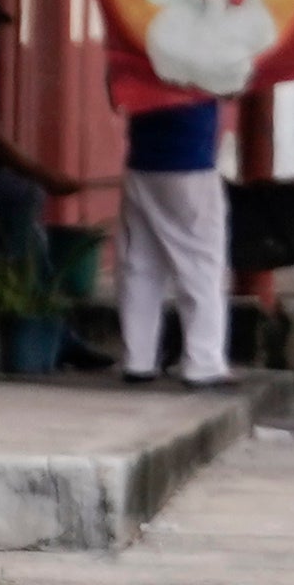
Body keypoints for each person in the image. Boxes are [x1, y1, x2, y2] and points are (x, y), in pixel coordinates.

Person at [112, 95, 233, 389]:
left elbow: (116, 90)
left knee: (140, 266)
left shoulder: (140, 49)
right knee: (201, 265)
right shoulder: (200, 53)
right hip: (191, 164)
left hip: (141, 162)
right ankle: (203, 362)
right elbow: (231, 83)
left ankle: (138, 360)